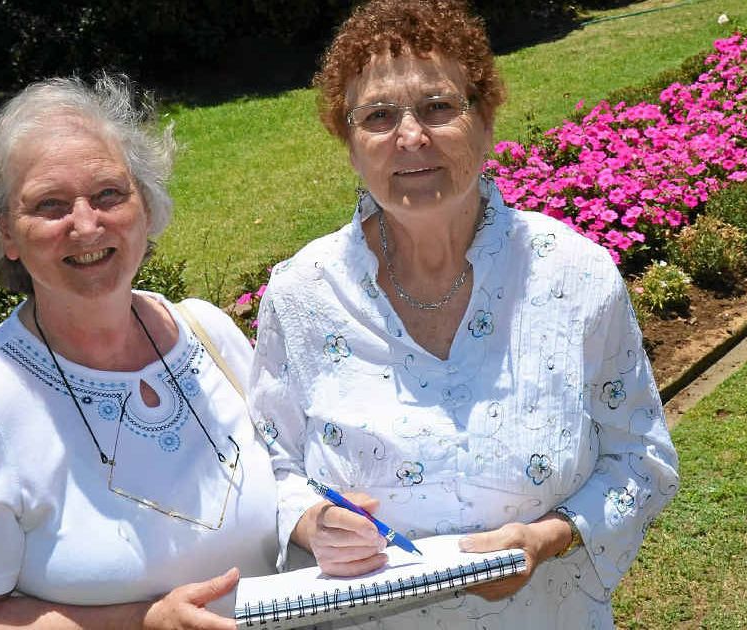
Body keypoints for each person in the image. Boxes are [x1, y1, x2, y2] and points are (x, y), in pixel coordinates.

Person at [247, 0, 680, 626]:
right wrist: (315, 522)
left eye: (439, 107)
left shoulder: (575, 277)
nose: (411, 137)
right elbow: (271, 465)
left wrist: (548, 538)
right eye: (377, 116)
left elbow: (640, 458)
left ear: (485, 118)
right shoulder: (303, 294)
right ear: (349, 143)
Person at [0, 74, 277, 629]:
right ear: (7, 233)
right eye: (50, 205)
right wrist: (140, 623)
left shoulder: (208, 333)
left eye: (108, 194)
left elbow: (291, 477)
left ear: (145, 208)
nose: (85, 224)